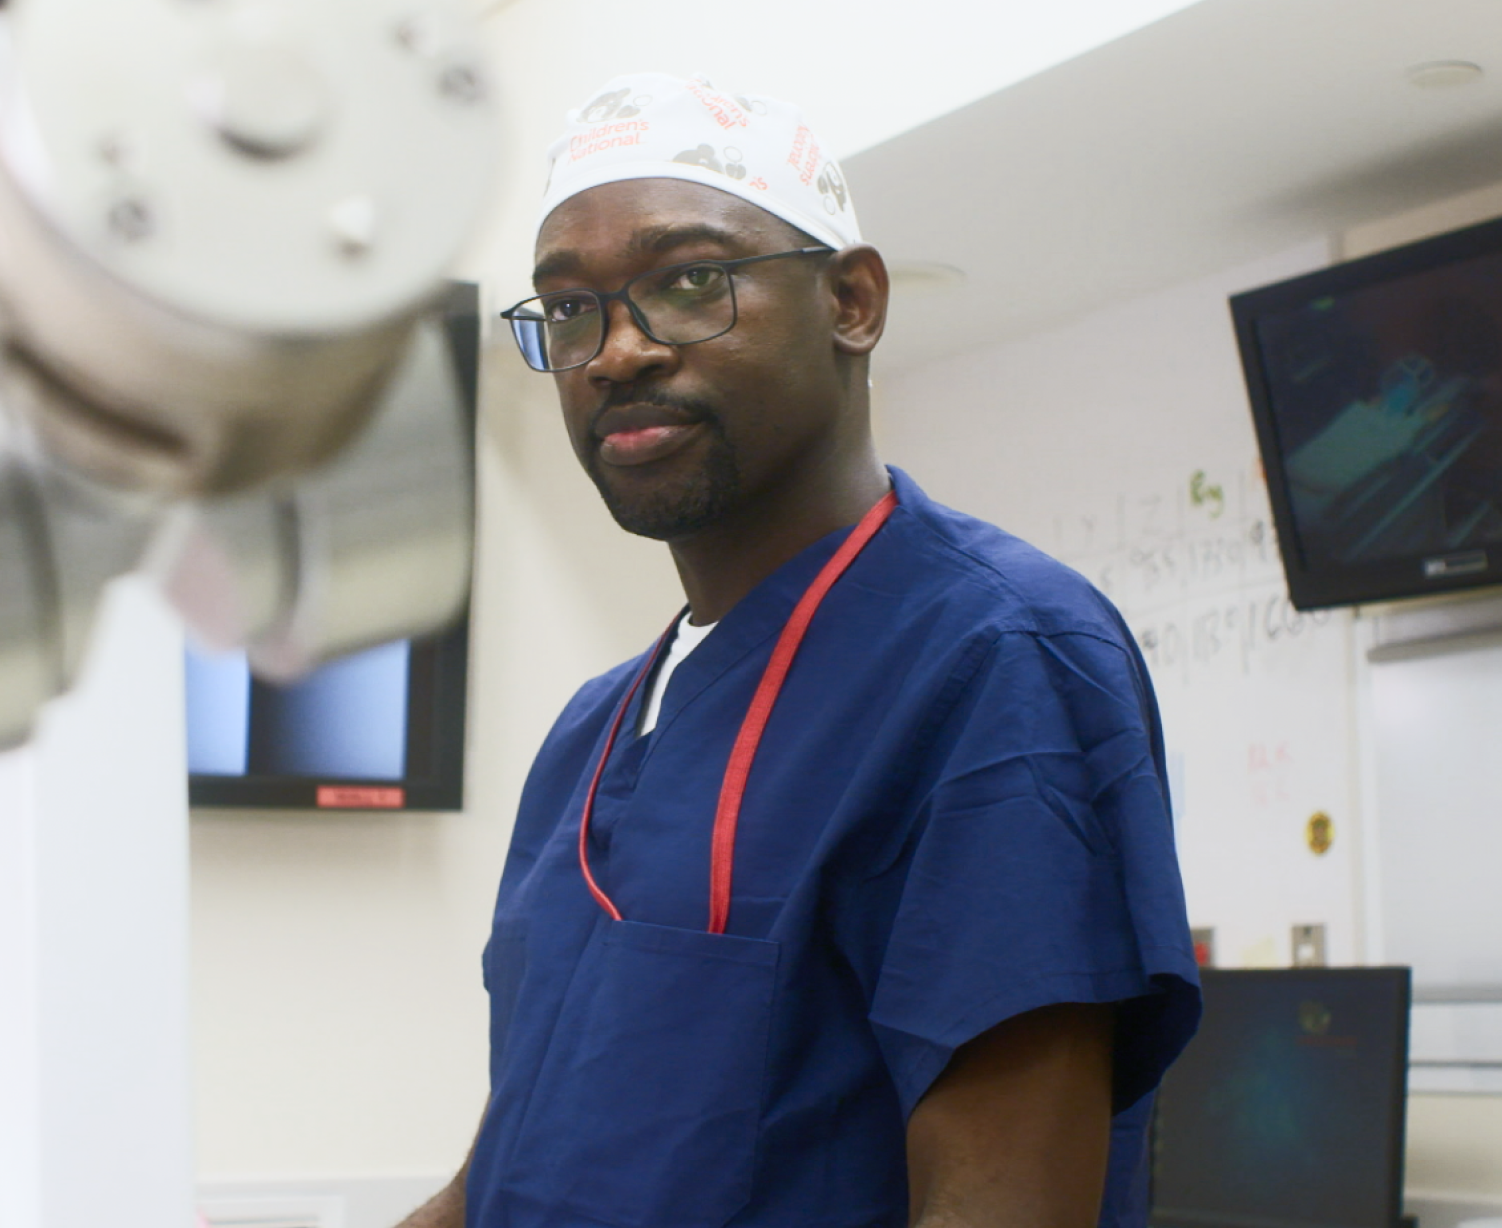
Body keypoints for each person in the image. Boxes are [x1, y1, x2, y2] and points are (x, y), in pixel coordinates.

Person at [398, 73, 1200, 1228]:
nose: (615, 350)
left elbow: (1001, 1203)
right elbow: (507, 1175)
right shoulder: (594, 728)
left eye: (687, 283)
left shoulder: (996, 657)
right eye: (569, 309)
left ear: (852, 301)